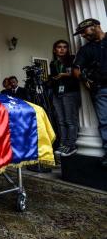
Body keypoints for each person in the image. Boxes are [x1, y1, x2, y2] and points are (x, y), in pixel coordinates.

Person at [72, 18, 107, 167]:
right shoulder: (86, 49)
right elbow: (75, 70)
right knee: (105, 122)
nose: (82, 36)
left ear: (95, 26)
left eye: (83, 32)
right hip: (100, 90)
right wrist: (83, 78)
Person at [49, 40, 80, 157]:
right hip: (57, 93)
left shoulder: (72, 59)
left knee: (70, 120)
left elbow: (77, 74)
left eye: (65, 47)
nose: (62, 49)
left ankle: (71, 144)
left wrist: (64, 75)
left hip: (70, 92)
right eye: (59, 47)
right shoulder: (53, 63)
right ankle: (63, 144)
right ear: (54, 50)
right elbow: (53, 78)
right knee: (61, 121)